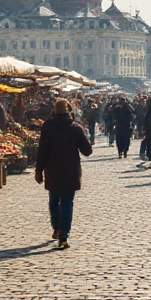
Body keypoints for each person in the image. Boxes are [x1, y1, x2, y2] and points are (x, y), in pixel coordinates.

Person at [35, 99, 93, 249]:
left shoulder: (47, 127)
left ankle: (56, 228)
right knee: (67, 203)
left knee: (54, 201)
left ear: (54, 111)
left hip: (52, 171)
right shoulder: (75, 128)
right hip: (70, 171)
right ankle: (64, 235)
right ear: (69, 111)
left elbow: (42, 151)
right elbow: (87, 151)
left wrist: (38, 170)